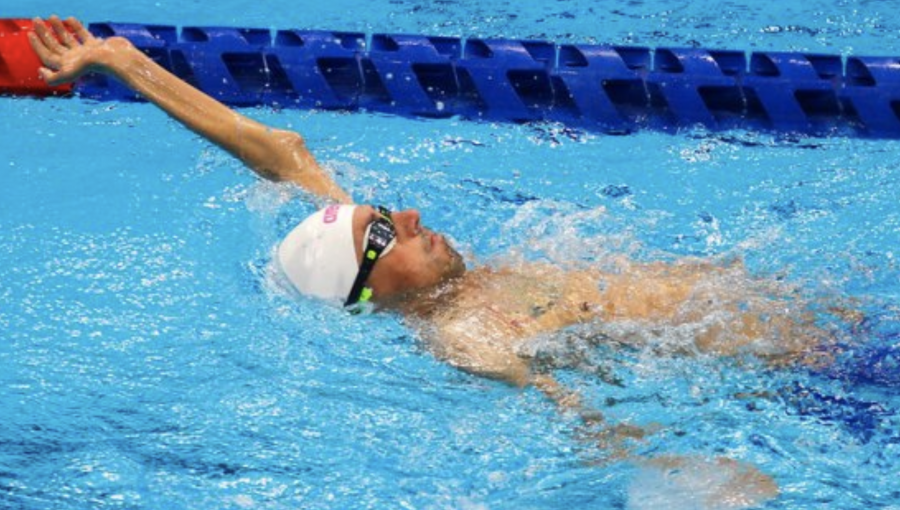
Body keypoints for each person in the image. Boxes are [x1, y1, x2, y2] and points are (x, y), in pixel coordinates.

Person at [31, 15, 829, 506]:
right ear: (368, 294)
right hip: (807, 373)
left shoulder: (396, 264)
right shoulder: (464, 335)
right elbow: (570, 414)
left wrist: (119, 63)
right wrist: (678, 477)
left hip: (800, 313)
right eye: (389, 233)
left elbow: (279, 152)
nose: (410, 216)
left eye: (392, 214)